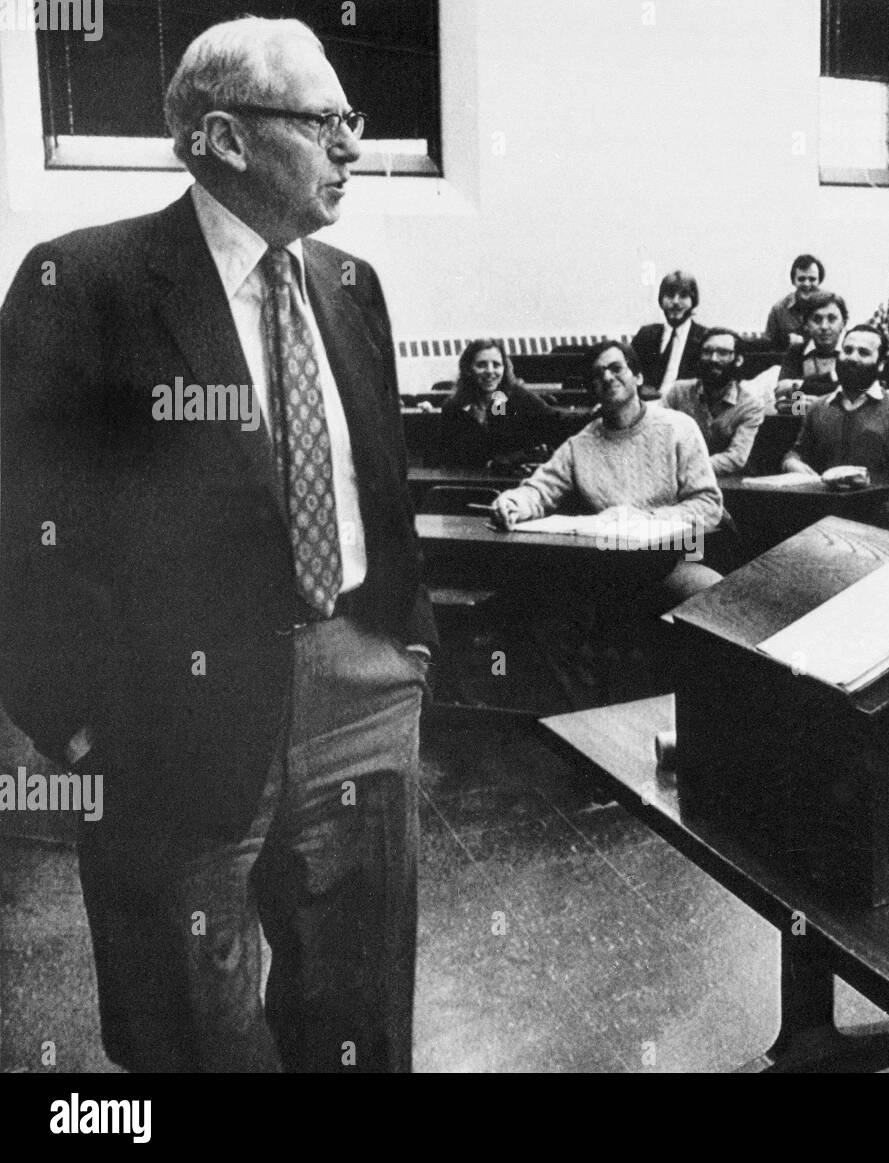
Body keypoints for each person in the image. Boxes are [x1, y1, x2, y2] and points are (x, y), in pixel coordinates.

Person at [0, 17, 435, 1072]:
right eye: (324, 120)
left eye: (353, 119)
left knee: (360, 1016)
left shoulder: (351, 284)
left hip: (360, 685)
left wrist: (405, 651)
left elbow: (378, 484)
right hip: (170, 712)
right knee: (190, 1024)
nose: (351, 144)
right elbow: (20, 529)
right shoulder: (85, 284)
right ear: (226, 139)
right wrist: (81, 728)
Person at [491, 341, 723, 604]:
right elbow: (541, 489)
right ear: (592, 388)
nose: (607, 377)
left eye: (616, 368)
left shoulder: (678, 428)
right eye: (597, 374)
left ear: (637, 376)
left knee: (719, 603)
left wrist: (646, 518)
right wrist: (514, 503)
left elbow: (708, 505)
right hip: (609, 565)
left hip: (673, 558)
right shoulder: (581, 444)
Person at [782, 324, 889, 495]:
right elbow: (798, 452)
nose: (852, 358)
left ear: (880, 364)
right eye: (847, 350)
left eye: (864, 353)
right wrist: (791, 462)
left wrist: (885, 489)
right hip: (827, 510)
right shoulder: (818, 408)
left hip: (881, 514)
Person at [659, 327, 766, 476]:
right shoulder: (678, 392)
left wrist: (688, 467)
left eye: (723, 353)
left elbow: (735, 458)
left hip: (726, 484)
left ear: (739, 360)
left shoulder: (750, 406)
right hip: (676, 479)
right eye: (707, 352)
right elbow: (658, 435)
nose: (713, 359)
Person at [440, 338, 559, 468]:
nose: (490, 371)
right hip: (470, 481)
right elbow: (451, 458)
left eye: (496, 365)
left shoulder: (521, 398)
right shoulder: (454, 408)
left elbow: (556, 427)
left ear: (504, 368)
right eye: (481, 365)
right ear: (468, 369)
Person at [631, 270, 706, 395]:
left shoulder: (704, 338)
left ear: (693, 300)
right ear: (661, 300)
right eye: (670, 295)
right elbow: (630, 372)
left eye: (683, 296)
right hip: (648, 406)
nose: (675, 302)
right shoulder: (646, 335)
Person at [775, 290, 849, 407]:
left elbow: (852, 394)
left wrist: (799, 385)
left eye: (832, 319)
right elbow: (782, 391)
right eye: (817, 319)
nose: (824, 326)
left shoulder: (851, 351)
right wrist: (831, 382)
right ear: (806, 324)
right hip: (803, 418)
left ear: (843, 323)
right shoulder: (797, 351)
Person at [764, 253, 825, 350]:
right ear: (793, 281)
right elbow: (768, 345)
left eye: (812, 279)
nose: (806, 284)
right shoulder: (779, 310)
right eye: (801, 279)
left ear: (819, 281)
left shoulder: (832, 307)